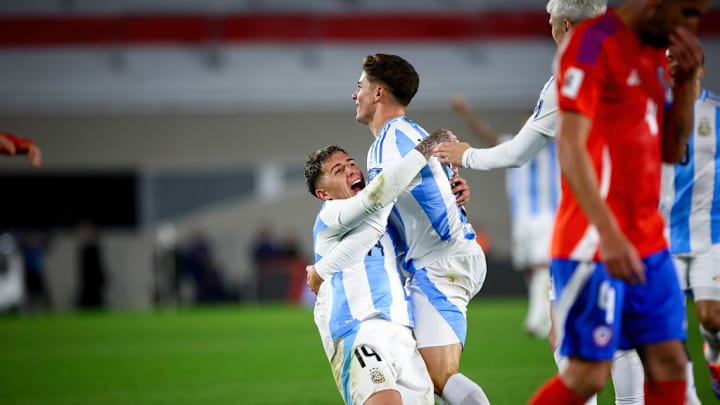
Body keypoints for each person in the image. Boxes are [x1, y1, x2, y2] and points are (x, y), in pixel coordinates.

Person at [435, 1, 651, 404]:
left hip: (585, 230)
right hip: (639, 227)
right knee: (627, 340)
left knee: (566, 344)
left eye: (550, 20)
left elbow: (516, 153)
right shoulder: (637, 69)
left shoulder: (570, 78)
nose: (548, 26)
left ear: (565, 25)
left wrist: (465, 155)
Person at [523, 0, 708, 403]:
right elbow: (570, 148)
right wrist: (607, 233)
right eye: (687, 12)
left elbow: (672, 151)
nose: (693, 24)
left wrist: (685, 86)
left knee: (671, 362)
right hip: (594, 241)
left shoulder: (656, 54)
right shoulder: (590, 45)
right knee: (588, 375)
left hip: (648, 239)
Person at [311, 53, 490, 404]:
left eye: (359, 86)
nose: (354, 94)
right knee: (424, 375)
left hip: (440, 264)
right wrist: (459, 193)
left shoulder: (389, 143)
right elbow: (442, 186)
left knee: (441, 376)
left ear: (378, 93)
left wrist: (322, 268)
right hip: (453, 257)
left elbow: (375, 217)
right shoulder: (411, 133)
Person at [304, 129, 455, 405]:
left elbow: (417, 235)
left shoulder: (386, 221)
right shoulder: (330, 216)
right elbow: (377, 198)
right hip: (358, 330)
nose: (351, 170)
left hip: (402, 331)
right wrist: (430, 143)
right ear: (323, 193)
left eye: (351, 163)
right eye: (339, 170)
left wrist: (456, 199)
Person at [661, 50, 720, 401]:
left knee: (711, 318)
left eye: (679, 62)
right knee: (669, 331)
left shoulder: (716, 112)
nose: (672, 68)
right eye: (667, 62)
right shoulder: (650, 113)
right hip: (663, 237)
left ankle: (714, 356)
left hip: (710, 232)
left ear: (699, 69)